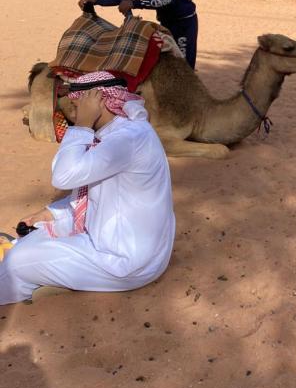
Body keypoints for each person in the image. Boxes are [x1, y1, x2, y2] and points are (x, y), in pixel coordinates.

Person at [0, 71, 175, 305]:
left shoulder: (127, 139)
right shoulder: (114, 133)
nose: (73, 114)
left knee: (18, 261)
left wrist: (83, 124)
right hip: (115, 237)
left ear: (99, 102)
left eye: (76, 107)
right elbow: (94, 192)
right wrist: (51, 213)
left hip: (126, 261)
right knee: (39, 226)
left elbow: (64, 177)